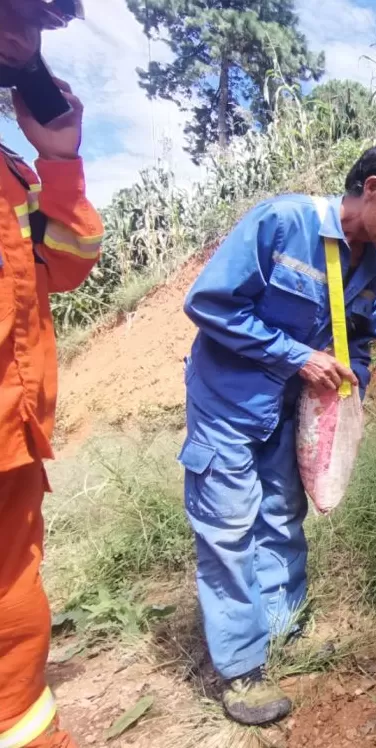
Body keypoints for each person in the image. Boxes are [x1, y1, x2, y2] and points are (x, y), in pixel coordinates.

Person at [179, 136, 376, 725]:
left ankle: (282, 629)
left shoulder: (372, 265)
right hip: (230, 405)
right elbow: (209, 303)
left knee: (280, 514)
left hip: (293, 415)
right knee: (229, 526)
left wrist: (352, 401)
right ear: (373, 189)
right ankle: (242, 668)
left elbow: (362, 343)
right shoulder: (282, 222)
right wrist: (295, 354)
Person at [0, 3, 102, 747]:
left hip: (13, 448)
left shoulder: (13, 174)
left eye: (37, 21)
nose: (22, 35)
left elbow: (66, 264)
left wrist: (61, 158)